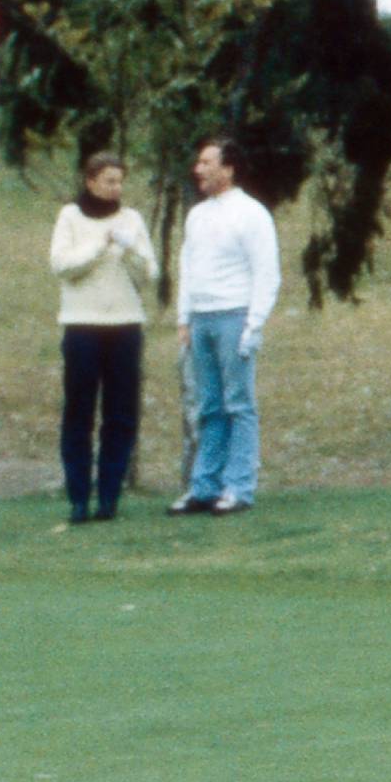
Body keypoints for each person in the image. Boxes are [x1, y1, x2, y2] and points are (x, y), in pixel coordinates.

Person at [172, 137, 279, 516]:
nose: (199, 169)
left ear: (228, 168)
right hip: (201, 318)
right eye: (199, 162)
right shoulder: (197, 215)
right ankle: (204, 486)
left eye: (207, 162)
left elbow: (267, 273)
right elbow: (188, 267)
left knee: (239, 404)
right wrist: (184, 317)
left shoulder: (251, 214)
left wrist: (254, 325)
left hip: (234, 316)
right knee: (209, 406)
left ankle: (239, 487)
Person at [48, 152, 156, 523]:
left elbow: (148, 274)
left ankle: (109, 496)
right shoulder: (70, 217)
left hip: (125, 326)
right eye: (109, 180)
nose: (116, 188)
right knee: (79, 412)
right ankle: (79, 496)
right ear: (91, 181)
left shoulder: (132, 219)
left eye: (120, 181)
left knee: (121, 414)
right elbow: (62, 266)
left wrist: (128, 250)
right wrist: (99, 246)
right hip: (82, 325)